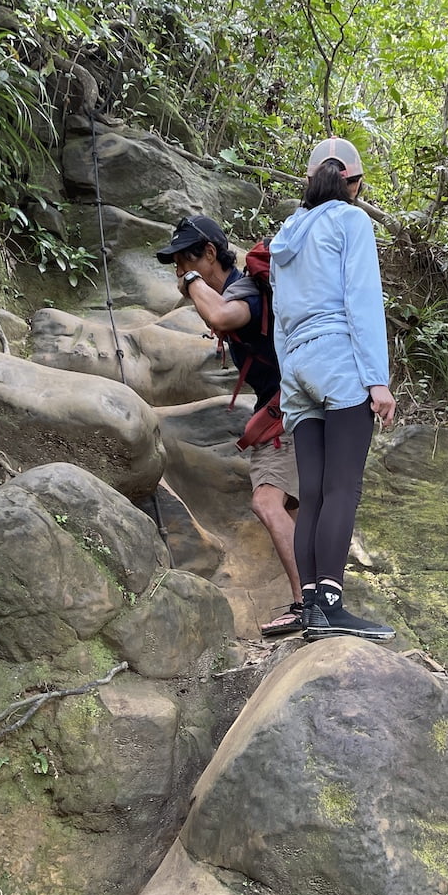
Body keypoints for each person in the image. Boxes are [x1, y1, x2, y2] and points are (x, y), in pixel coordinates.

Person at [269, 136, 397, 641]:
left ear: (311, 179)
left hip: (298, 364)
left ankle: (309, 608)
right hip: (339, 359)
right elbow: (362, 300)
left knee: (314, 491)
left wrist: (287, 384)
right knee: (344, 486)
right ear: (354, 184)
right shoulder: (351, 221)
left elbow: (279, 318)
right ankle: (330, 605)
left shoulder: (287, 233)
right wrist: (377, 380)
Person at [156, 215, 305, 637]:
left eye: (187, 260)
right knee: (295, 506)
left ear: (210, 253)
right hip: (290, 409)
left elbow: (222, 316)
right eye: (175, 265)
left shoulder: (245, 292)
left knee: (268, 502)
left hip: (287, 414)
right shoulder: (246, 291)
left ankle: (308, 604)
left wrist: (190, 283)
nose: (180, 271)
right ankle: (319, 596)